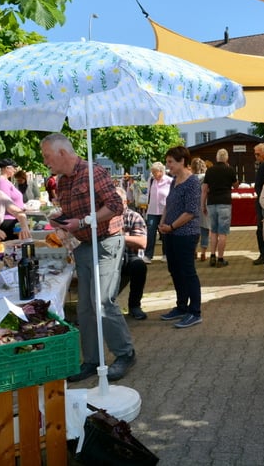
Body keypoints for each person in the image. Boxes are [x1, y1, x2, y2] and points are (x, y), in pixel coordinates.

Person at [40, 133, 135, 382]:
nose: (45, 162)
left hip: (106, 242)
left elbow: (116, 205)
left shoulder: (93, 172)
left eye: (47, 156)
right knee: (84, 308)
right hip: (84, 245)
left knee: (102, 301)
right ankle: (92, 360)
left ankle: (125, 354)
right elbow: (72, 215)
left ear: (62, 153)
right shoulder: (62, 182)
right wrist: (60, 220)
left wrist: (83, 221)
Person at [158, 146, 203, 328]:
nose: (168, 165)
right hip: (170, 233)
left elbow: (191, 212)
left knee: (187, 271)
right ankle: (182, 306)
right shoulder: (174, 181)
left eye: (170, 162)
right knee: (175, 270)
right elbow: (168, 204)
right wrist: (163, 223)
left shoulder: (192, 182)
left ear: (182, 161)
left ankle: (195, 312)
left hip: (186, 234)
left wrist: (171, 226)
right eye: (167, 162)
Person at [114, 187, 148, 320]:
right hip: (108, 258)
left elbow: (142, 242)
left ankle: (134, 305)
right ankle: (94, 307)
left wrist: (119, 238)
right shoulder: (103, 217)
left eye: (117, 201)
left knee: (139, 266)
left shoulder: (134, 217)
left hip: (128, 257)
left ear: (125, 202)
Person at [202, 148, 238, 268]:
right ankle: (220, 259)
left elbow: (204, 190)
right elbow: (236, 186)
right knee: (222, 233)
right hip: (225, 203)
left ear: (216, 158)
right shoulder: (229, 170)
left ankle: (212, 256)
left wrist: (203, 205)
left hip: (212, 202)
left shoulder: (210, 170)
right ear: (226, 158)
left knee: (213, 231)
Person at [143, 161, 173, 264]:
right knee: (150, 233)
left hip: (165, 211)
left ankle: (166, 254)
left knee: (164, 233)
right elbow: (148, 194)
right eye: (152, 172)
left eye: (155, 172)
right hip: (152, 210)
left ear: (161, 171)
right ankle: (148, 255)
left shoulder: (169, 181)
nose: (153, 174)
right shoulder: (151, 180)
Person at [0, 159, 26, 240]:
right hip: (9, 220)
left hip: (13, 218)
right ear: (6, 168)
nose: (15, 170)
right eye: (14, 168)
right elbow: (6, 202)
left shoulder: (5, 181)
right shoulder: (2, 181)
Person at [191, 157, 211, 262]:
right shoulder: (206, 177)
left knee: (194, 231)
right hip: (205, 204)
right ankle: (203, 253)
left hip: (193, 205)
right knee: (205, 230)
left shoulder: (190, 178)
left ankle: (194, 251)